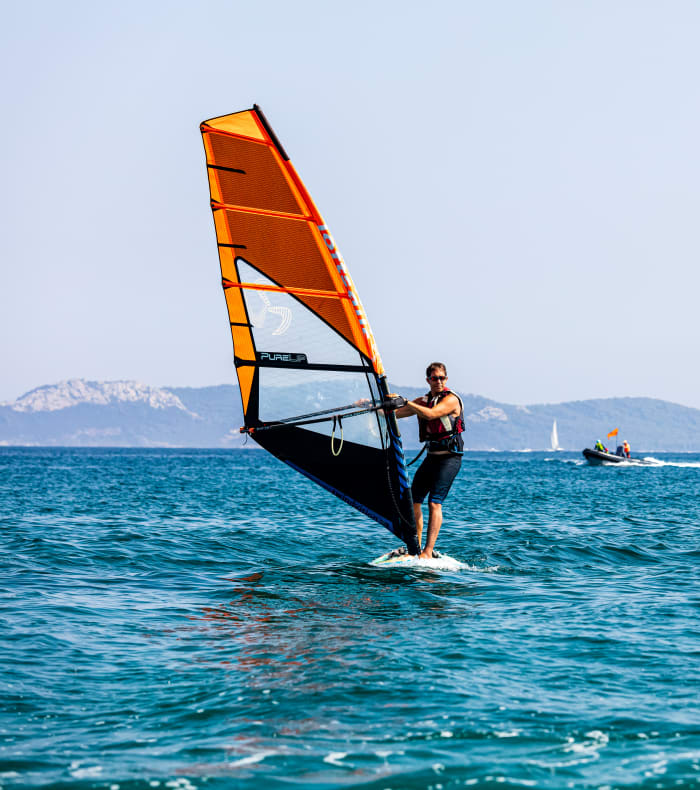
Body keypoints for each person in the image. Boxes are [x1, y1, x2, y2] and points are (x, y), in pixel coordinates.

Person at [395, 362, 465, 559]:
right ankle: (414, 548)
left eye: (442, 378)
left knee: (434, 503)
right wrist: (373, 406)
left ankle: (427, 552)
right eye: (435, 378)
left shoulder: (451, 400)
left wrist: (406, 401)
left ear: (446, 379)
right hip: (431, 458)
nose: (439, 382)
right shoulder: (423, 401)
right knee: (413, 501)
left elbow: (431, 414)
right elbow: (394, 415)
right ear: (428, 380)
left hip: (450, 459)